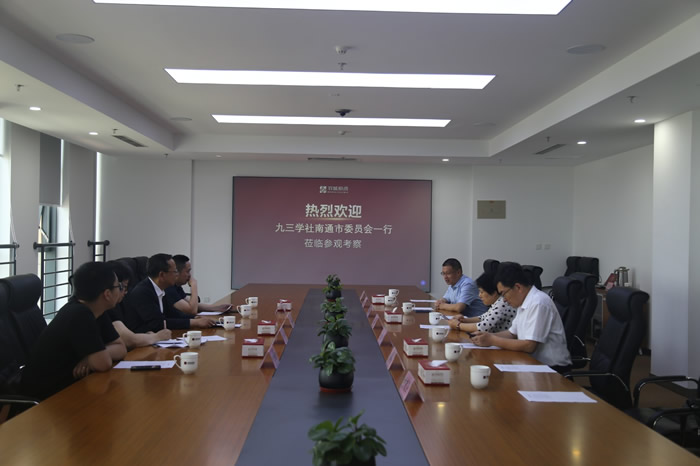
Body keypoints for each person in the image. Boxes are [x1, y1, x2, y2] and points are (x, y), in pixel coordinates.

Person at [20, 262, 127, 400]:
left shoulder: (97, 310)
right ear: (107, 294)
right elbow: (103, 363)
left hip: (70, 386)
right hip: (47, 397)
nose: (122, 290)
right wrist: (96, 357)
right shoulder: (79, 314)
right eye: (119, 286)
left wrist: (90, 358)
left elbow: (121, 348)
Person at [471, 262, 571, 370]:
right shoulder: (522, 302)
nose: (504, 299)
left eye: (504, 294)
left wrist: (492, 340)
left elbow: (529, 346)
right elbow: (511, 334)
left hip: (551, 368)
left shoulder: (539, 303)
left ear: (518, 287)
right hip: (530, 362)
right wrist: (486, 336)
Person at [123, 253, 215, 333]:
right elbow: (158, 323)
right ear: (162, 275)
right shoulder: (143, 293)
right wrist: (194, 322)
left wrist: (194, 319)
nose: (177, 275)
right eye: (175, 271)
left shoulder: (162, 288)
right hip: (143, 342)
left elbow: (172, 314)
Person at [106, 260, 172, 350]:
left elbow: (133, 329)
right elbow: (130, 340)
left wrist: (147, 334)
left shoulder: (120, 303)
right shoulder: (106, 309)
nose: (126, 292)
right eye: (124, 287)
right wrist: (157, 337)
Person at [448, 272, 516, 334]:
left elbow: (483, 327)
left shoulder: (502, 303)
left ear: (494, 293)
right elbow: (482, 317)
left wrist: (458, 325)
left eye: (482, 292)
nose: (479, 295)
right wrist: (464, 320)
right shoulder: (497, 302)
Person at [165, 254, 231, 316]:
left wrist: (217, 308)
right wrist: (194, 285)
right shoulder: (169, 289)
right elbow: (192, 310)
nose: (190, 275)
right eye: (187, 271)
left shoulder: (176, 287)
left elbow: (192, 305)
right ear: (177, 272)